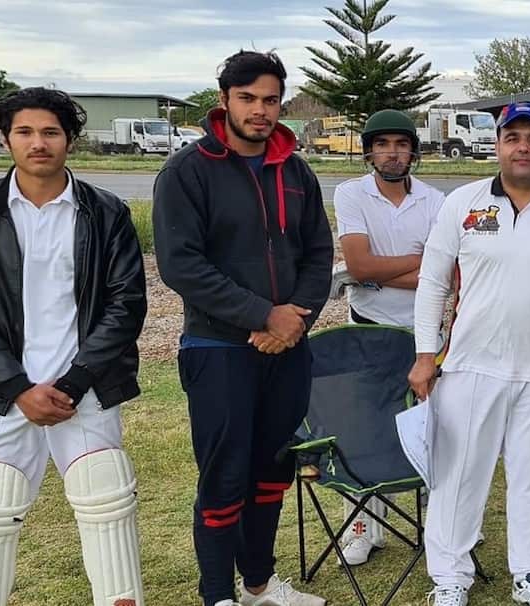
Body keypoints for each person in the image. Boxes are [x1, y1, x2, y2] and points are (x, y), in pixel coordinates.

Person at [0, 87, 147, 606]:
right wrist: (17, 388)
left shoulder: (105, 212)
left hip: (87, 389)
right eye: (25, 132)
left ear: (70, 140)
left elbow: (127, 305)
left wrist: (75, 381)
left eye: (51, 132)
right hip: (5, 392)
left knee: (107, 505)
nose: (39, 143)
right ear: (6, 139)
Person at [153, 50, 333, 606]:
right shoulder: (188, 170)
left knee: (271, 471)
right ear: (225, 100)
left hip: (288, 347)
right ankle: (218, 596)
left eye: (271, 100)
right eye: (248, 98)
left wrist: (293, 319)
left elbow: (318, 255)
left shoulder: (296, 170)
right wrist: (262, 315)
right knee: (224, 476)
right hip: (218, 347)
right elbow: (182, 265)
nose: (260, 111)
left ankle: (257, 584)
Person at [410, 101, 530, 606]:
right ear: (497, 145)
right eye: (513, 137)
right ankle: (450, 578)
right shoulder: (464, 204)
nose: (524, 147)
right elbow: (432, 283)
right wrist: (425, 354)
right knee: (459, 478)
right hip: (468, 366)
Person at [331, 109, 446, 565]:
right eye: (383, 145)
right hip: (370, 325)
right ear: (369, 152)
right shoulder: (350, 193)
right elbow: (358, 265)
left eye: (401, 144)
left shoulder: (435, 200)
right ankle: (363, 529)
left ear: (413, 151)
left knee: (431, 425)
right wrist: (410, 266)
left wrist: (382, 272)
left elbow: (440, 274)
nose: (393, 153)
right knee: (365, 427)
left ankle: (438, 519)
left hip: (423, 329)